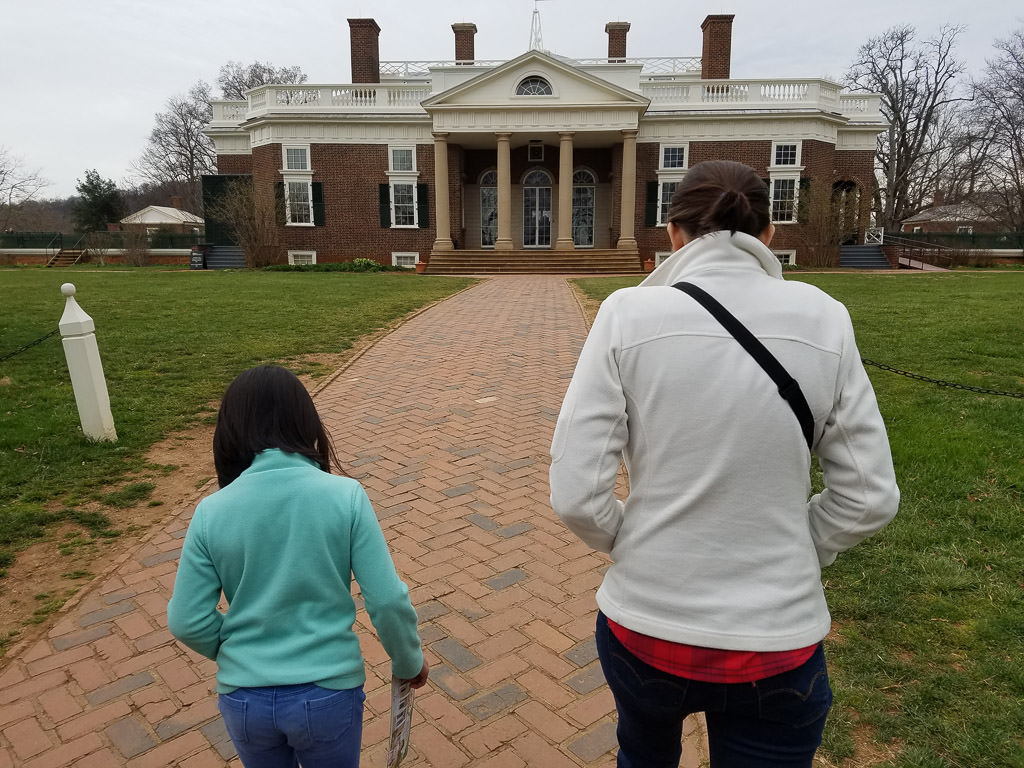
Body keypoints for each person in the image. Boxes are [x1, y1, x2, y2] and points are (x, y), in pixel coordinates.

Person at [549, 160, 899, 768]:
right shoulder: (825, 317)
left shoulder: (626, 314)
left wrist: (636, 543)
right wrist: (802, 545)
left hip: (647, 627)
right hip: (777, 640)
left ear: (673, 234)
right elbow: (869, 498)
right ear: (768, 235)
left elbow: (578, 493)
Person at [168, 365, 428, 768]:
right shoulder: (345, 497)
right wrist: (409, 662)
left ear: (230, 430)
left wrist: (239, 651)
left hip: (244, 698)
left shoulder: (211, 512)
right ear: (306, 422)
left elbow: (186, 620)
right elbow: (388, 601)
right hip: (328, 693)